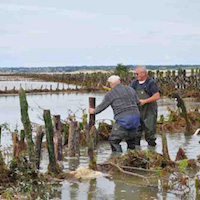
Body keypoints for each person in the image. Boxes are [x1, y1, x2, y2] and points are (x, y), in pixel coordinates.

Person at [89, 75, 140, 152]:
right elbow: (138, 103)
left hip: (123, 119)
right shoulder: (131, 89)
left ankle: (117, 158)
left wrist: (93, 111)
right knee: (131, 141)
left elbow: (102, 106)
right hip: (136, 118)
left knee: (114, 140)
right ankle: (132, 158)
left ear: (111, 84)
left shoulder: (111, 93)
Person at [130, 66, 160, 147]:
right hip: (137, 111)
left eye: (137, 74)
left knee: (150, 132)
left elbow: (157, 96)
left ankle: (152, 151)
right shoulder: (134, 83)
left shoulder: (150, 82)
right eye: (135, 74)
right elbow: (130, 93)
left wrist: (145, 101)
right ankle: (136, 153)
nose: (136, 75)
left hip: (149, 111)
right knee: (136, 132)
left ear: (144, 73)